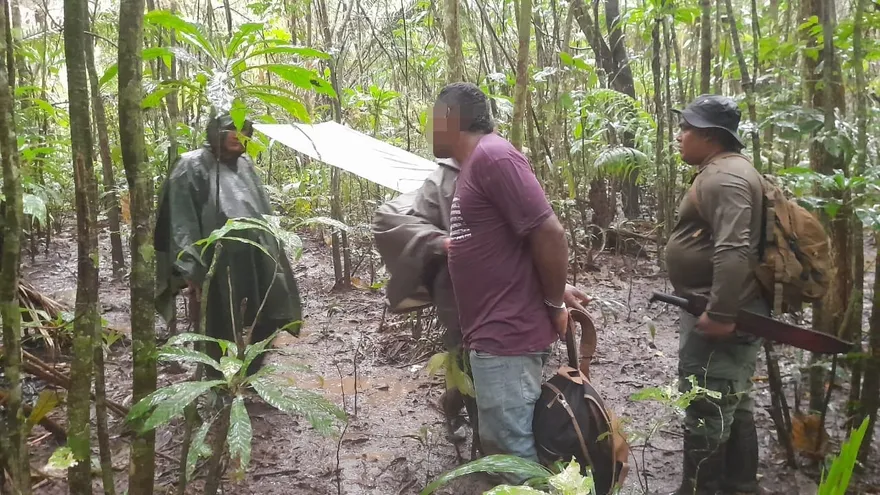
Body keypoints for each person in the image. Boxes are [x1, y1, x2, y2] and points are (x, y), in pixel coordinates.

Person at [371, 157, 591, 447]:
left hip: (507, 310)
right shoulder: (444, 179)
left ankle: (478, 430)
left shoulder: (500, 172)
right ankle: (473, 433)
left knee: (498, 384)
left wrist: (557, 290)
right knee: (469, 367)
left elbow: (522, 245)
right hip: (460, 302)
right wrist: (440, 242)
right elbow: (389, 219)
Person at [429, 82, 570, 473]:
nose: (429, 130)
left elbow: (548, 233)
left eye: (433, 120)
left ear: (450, 120)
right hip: (493, 333)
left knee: (513, 458)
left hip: (507, 335)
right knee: (504, 447)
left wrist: (554, 301)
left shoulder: (494, 157)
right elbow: (514, 241)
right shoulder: (475, 164)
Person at [665, 95, 767, 495]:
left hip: (723, 314)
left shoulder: (725, 177)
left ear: (709, 136)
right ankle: (740, 484)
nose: (679, 136)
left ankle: (701, 489)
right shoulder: (722, 171)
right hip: (718, 307)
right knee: (734, 399)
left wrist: (722, 313)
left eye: (685, 129)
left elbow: (734, 248)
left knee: (707, 402)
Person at [154, 113, 303, 375]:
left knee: (271, 313)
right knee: (218, 326)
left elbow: (259, 209)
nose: (238, 134)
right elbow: (180, 221)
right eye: (230, 128)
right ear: (215, 132)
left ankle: (248, 376)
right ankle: (219, 385)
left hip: (255, 258)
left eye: (243, 129)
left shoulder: (244, 164)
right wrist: (192, 271)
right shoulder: (190, 166)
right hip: (215, 264)